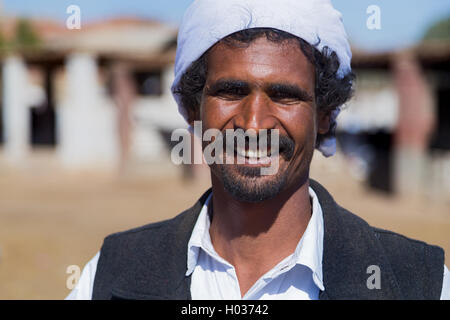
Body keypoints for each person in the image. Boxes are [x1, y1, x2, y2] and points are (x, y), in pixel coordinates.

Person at [67, 0, 449, 300]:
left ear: (325, 117)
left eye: (284, 96)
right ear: (192, 109)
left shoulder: (419, 283)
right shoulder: (111, 276)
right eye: (231, 92)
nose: (253, 123)